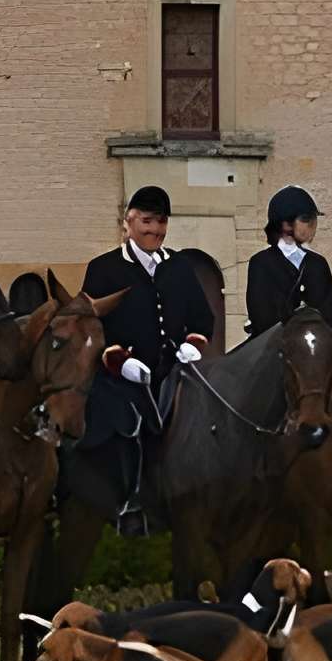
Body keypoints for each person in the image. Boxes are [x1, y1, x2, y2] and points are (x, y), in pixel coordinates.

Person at [81, 186, 215, 536]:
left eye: (161, 222)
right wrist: (118, 360)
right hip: (123, 377)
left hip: (174, 371)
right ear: (128, 222)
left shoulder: (180, 267)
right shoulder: (103, 269)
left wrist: (193, 344)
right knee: (130, 426)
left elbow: (202, 319)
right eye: (146, 221)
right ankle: (130, 501)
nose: (154, 230)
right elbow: (91, 330)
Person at [243, 185, 332, 336]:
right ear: (286, 224)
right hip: (273, 346)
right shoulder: (261, 263)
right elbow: (261, 318)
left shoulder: (318, 264)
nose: (313, 226)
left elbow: (328, 318)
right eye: (306, 219)